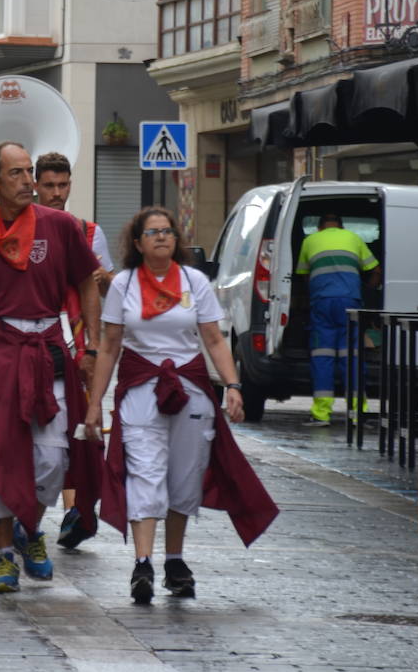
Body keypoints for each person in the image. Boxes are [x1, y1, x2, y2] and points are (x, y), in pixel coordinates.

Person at [84, 207, 277, 603]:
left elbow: (213, 339)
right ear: (137, 243)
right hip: (140, 391)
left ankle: (175, 560)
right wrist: (94, 404)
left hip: (190, 390)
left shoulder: (194, 281)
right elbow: (109, 345)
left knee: (184, 478)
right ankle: (143, 564)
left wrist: (234, 386)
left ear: (177, 239)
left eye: (168, 231)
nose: (161, 237)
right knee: (145, 472)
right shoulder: (123, 284)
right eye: (152, 232)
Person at [0, 141, 103, 593]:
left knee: (53, 456)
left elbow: (87, 283)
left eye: (30, 171)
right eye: (17, 173)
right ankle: (5, 554)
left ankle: (32, 524)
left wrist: (90, 347)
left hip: (48, 344)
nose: (29, 181)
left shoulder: (62, 226)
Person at [34, 150, 115, 550]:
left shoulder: (88, 231)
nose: (56, 193)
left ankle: (79, 512)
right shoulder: (25, 227)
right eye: (48, 186)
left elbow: (106, 285)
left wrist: (95, 344)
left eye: (62, 185)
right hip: (35, 342)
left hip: (78, 341)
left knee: (83, 430)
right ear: (35, 185)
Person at [295, 214, 381, 426]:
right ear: (341, 227)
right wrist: (368, 291)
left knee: (322, 355)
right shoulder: (353, 238)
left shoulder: (309, 241)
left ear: (319, 229)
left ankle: (321, 414)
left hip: (322, 303)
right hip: (350, 303)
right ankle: (358, 412)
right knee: (351, 355)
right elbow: (376, 270)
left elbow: (303, 275)